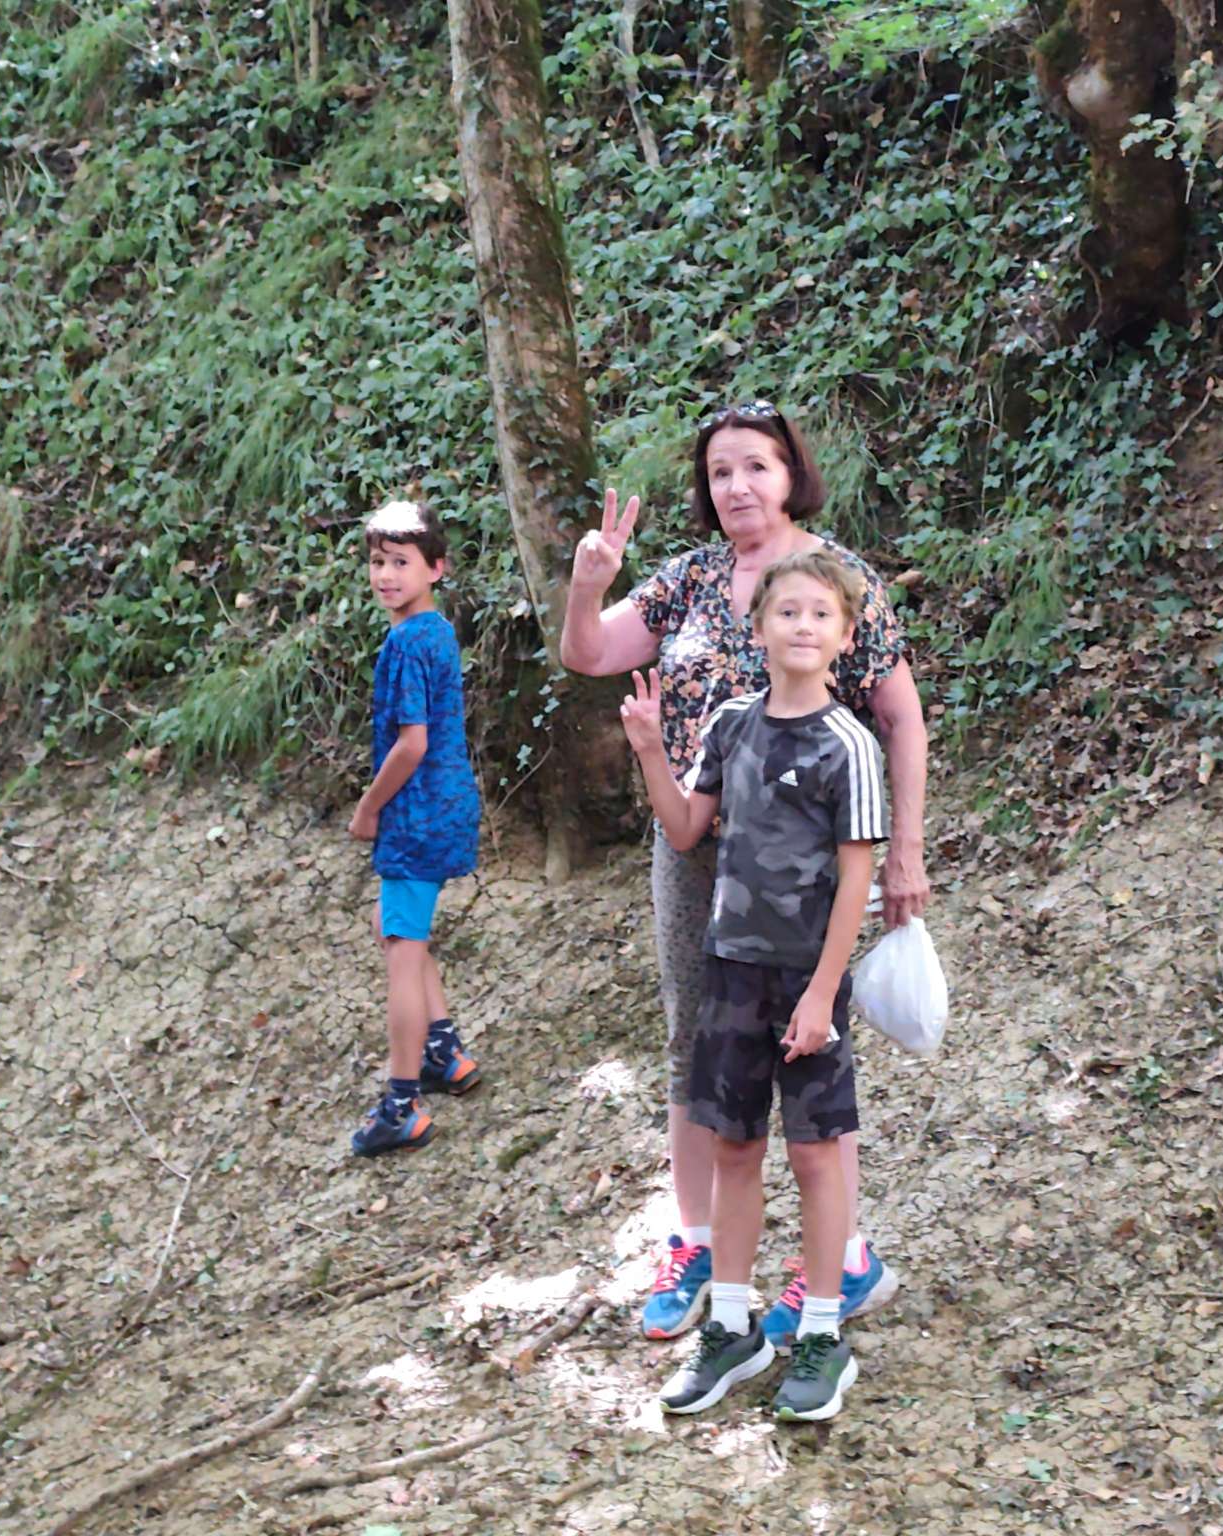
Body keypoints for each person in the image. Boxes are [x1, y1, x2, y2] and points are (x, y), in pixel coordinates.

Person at [560, 401, 931, 1344]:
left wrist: (906, 850)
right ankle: (694, 1245)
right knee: (695, 1039)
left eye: (756, 466)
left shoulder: (836, 579)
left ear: (790, 473)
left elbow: (901, 718)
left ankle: (840, 1261)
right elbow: (589, 651)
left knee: (812, 1047)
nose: (737, 486)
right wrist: (587, 585)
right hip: (695, 852)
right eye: (720, 471)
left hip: (807, 867)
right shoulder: (688, 580)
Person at [620, 549, 884, 1421]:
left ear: (844, 636)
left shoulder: (850, 745)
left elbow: (856, 878)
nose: (802, 626)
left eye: (820, 615)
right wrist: (651, 751)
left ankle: (822, 1332)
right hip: (730, 969)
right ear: (758, 627)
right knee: (734, 1145)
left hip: (808, 978)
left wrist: (823, 993)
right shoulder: (730, 724)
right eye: (787, 612)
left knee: (815, 1152)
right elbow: (685, 828)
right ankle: (731, 1327)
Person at [347, 500, 483, 1157]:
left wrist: (369, 807)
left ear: (436, 568)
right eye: (378, 562)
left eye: (401, 562)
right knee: (394, 926)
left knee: (402, 948)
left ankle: (401, 1105)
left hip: (416, 811)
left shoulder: (404, 643)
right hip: (449, 804)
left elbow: (412, 743)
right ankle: (443, 1052)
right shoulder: (437, 631)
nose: (386, 575)